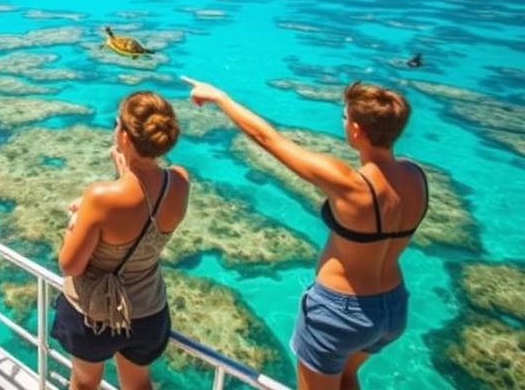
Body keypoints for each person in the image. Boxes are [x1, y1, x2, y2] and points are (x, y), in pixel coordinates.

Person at [181, 76, 428, 390]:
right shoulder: (415, 177)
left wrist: (220, 97)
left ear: (355, 130)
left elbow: (269, 140)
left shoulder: (351, 184)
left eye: (344, 117)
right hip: (392, 309)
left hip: (340, 313)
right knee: (348, 378)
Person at [52, 91, 190, 390]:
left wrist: (73, 225)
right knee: (138, 384)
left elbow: (70, 265)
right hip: (149, 311)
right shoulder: (179, 181)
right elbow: (144, 204)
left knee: (85, 384)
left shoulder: (101, 197)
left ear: (124, 136)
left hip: (94, 317)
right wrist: (125, 172)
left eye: (117, 123)